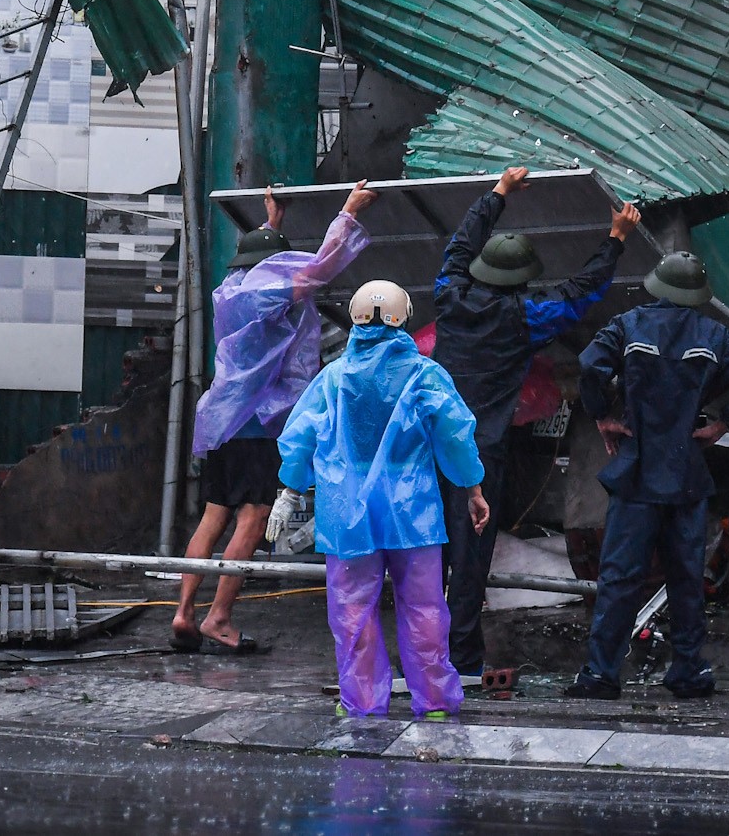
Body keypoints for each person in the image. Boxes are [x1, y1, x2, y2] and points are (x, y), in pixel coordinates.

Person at [433, 164, 640, 676]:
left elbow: (458, 246)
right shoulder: (527, 317)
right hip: (480, 453)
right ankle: (460, 658)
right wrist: (616, 238)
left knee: (425, 553)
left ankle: (422, 652)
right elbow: (582, 293)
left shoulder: (449, 296)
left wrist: (498, 193)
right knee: (470, 558)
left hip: (430, 443)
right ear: (522, 281)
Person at [170, 180, 375, 654]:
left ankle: (183, 611)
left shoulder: (231, 290)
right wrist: (348, 211)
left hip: (222, 421)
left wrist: (271, 223)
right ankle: (219, 618)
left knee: (212, 517)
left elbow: (264, 261)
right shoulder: (266, 294)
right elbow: (315, 272)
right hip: (257, 423)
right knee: (252, 516)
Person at [272, 280, 490, 719]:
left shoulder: (333, 378)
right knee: (426, 607)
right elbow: (456, 434)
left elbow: (299, 438)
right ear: (404, 316)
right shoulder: (425, 374)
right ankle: (434, 700)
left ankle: (362, 701)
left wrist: (289, 491)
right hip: (413, 513)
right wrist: (473, 488)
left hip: (346, 515)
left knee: (352, 611)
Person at [567, 250, 729, 701]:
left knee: (619, 577)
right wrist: (722, 422)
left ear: (656, 284)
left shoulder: (628, 325)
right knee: (686, 578)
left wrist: (602, 415)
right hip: (686, 475)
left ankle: (601, 674)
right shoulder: (714, 335)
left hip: (637, 471)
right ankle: (688, 671)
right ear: (696, 293)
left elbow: (588, 366)